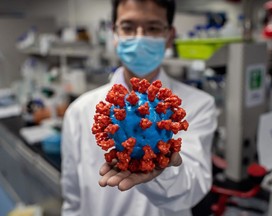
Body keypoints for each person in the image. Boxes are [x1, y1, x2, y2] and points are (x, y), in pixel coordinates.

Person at [61, 0, 218, 215]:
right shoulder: (80, 111)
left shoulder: (198, 105)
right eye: (128, 27)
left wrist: (164, 171)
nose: (139, 37)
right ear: (114, 34)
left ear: (169, 36)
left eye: (153, 28)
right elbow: (72, 198)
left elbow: (195, 186)